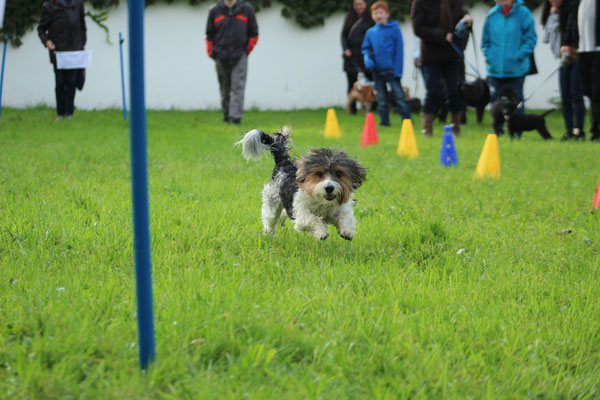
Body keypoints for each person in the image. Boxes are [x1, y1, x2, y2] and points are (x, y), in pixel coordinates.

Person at [411, 0, 472, 136]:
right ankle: (427, 129)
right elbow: (417, 27)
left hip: (452, 55)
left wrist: (467, 20)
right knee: (433, 92)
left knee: (454, 91)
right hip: (430, 56)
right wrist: (442, 35)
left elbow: (463, 17)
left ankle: (456, 127)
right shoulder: (420, 2)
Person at [481, 0, 537, 134]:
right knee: (495, 102)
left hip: (516, 69)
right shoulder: (491, 15)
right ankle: (497, 132)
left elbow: (530, 38)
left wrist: (520, 55)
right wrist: (490, 57)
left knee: (516, 101)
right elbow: (485, 42)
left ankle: (516, 133)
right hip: (495, 70)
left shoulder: (523, 14)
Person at [206, 0, 258, 125]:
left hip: (240, 56)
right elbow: (209, 34)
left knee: (238, 87)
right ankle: (226, 115)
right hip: (220, 56)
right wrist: (211, 52)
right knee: (224, 89)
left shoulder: (247, 9)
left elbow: (254, 33)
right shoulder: (214, 11)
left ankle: (235, 118)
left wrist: (246, 51)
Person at [361, 1, 411, 127]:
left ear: (387, 14)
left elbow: (399, 51)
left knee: (399, 97)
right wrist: (367, 57)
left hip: (392, 71)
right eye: (375, 13)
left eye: (381, 12)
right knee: (381, 99)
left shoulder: (395, 30)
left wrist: (398, 70)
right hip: (377, 71)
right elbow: (365, 48)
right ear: (372, 15)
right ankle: (384, 122)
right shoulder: (370, 32)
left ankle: (407, 121)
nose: (378, 15)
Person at [542, 0, 586, 140]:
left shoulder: (573, 9)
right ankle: (568, 129)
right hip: (563, 59)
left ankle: (578, 130)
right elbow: (548, 36)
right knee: (565, 94)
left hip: (577, 57)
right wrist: (553, 15)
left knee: (575, 93)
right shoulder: (552, 13)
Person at [37, 0, 86, 121]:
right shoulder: (49, 6)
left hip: (74, 51)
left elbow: (82, 27)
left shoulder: (77, 4)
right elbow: (41, 29)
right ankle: (60, 113)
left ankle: (70, 113)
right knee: (60, 83)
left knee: (72, 82)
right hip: (58, 52)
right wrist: (47, 42)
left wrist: (81, 46)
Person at [561, 0, 600, 141]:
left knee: (597, 93)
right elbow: (572, 19)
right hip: (583, 51)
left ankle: (597, 131)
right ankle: (595, 128)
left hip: (598, 50)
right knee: (588, 91)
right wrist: (567, 43)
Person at [341, 0, 374, 114]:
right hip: (351, 57)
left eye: (360, 4)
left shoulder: (370, 19)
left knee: (370, 83)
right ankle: (352, 109)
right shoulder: (349, 19)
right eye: (356, 4)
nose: (358, 7)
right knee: (352, 83)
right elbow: (343, 35)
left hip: (366, 56)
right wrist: (346, 49)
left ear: (366, 4)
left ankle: (372, 106)